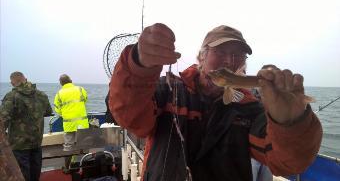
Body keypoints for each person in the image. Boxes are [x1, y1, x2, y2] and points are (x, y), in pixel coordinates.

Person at [108, 23, 322, 181]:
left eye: (239, 56)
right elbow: (130, 117)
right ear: (201, 56)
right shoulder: (168, 90)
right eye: (220, 51)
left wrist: (290, 122)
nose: (230, 61)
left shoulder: (250, 108)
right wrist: (139, 64)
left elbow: (288, 163)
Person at [0, 71, 53, 181]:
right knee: (35, 173)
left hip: (18, 144)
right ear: (26, 79)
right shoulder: (41, 95)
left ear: (12, 83)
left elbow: (3, 120)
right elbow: (48, 111)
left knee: (22, 175)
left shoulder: (12, 96)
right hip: (36, 142)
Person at [54, 74, 89, 172]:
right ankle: (84, 166)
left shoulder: (59, 94)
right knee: (83, 145)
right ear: (71, 80)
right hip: (82, 124)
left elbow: (57, 110)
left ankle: (67, 168)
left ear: (61, 83)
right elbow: (85, 100)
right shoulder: (80, 89)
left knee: (68, 147)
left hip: (69, 125)